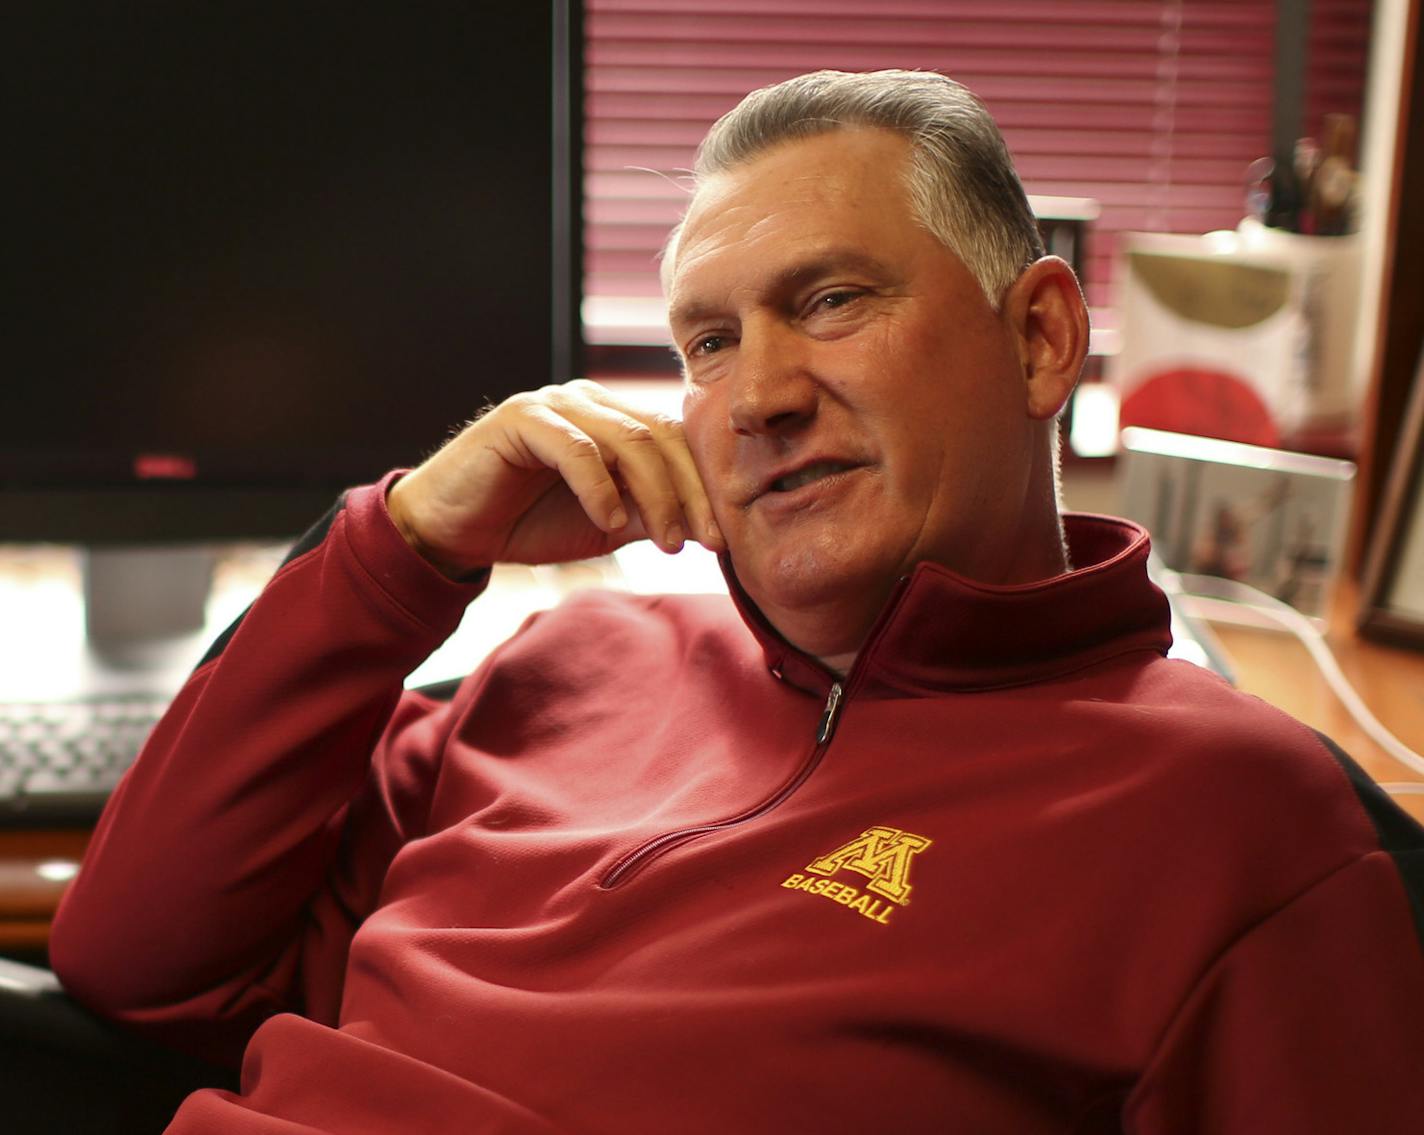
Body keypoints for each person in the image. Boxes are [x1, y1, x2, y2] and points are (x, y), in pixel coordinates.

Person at [48, 69, 1424, 1133]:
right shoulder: (568, 659)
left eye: (829, 300)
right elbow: (136, 963)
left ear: (1041, 337)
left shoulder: (1228, 820)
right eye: (711, 340)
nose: (756, 394)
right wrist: (408, 544)